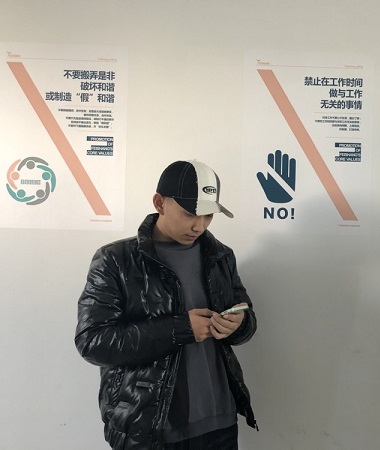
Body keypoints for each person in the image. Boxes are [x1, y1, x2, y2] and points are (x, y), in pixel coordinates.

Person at [75, 160, 258, 449]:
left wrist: (239, 324)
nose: (199, 225)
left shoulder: (221, 256)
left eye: (209, 215)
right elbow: (92, 342)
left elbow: (246, 320)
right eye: (190, 214)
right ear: (159, 203)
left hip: (220, 423)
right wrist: (180, 329)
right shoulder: (115, 260)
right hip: (150, 428)